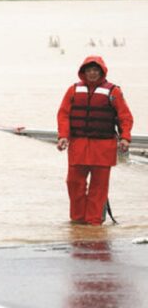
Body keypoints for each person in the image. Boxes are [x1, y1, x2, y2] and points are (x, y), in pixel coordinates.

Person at [56, 56, 133, 226]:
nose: (92, 73)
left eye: (95, 70)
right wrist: (62, 136)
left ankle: (94, 224)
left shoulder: (113, 92)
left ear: (101, 72)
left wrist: (125, 137)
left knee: (99, 189)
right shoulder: (73, 90)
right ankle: (77, 222)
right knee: (73, 184)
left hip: (103, 148)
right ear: (83, 72)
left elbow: (125, 117)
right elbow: (63, 115)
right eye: (89, 70)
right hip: (78, 146)